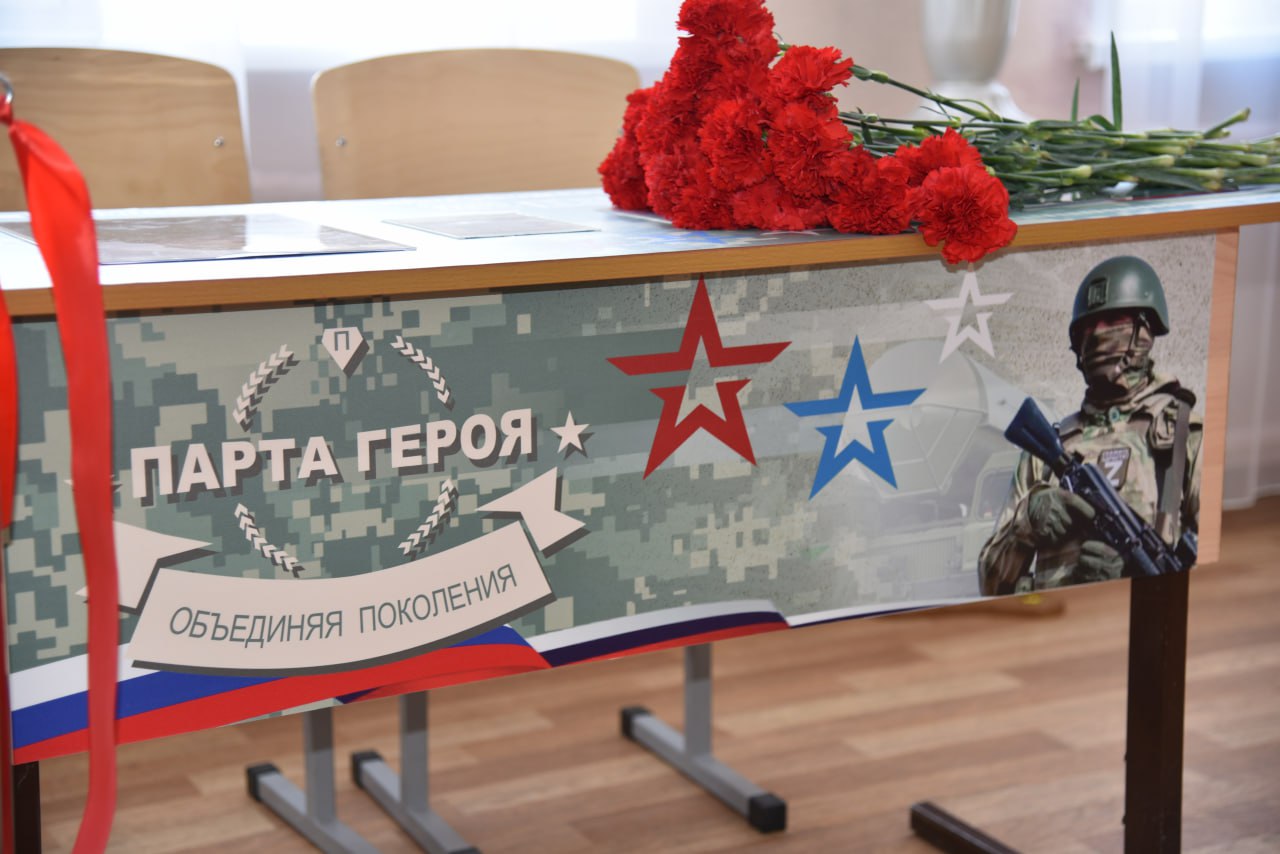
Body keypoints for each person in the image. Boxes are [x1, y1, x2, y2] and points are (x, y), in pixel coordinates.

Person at [978, 255, 1202, 595]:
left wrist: (1133, 579)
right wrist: (1027, 522)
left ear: (1146, 328)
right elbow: (990, 584)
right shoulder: (1046, 453)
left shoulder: (1184, 436)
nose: (1097, 334)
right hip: (1057, 621)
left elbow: (1214, 582)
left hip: (1142, 619)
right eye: (1088, 327)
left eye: (1112, 321)